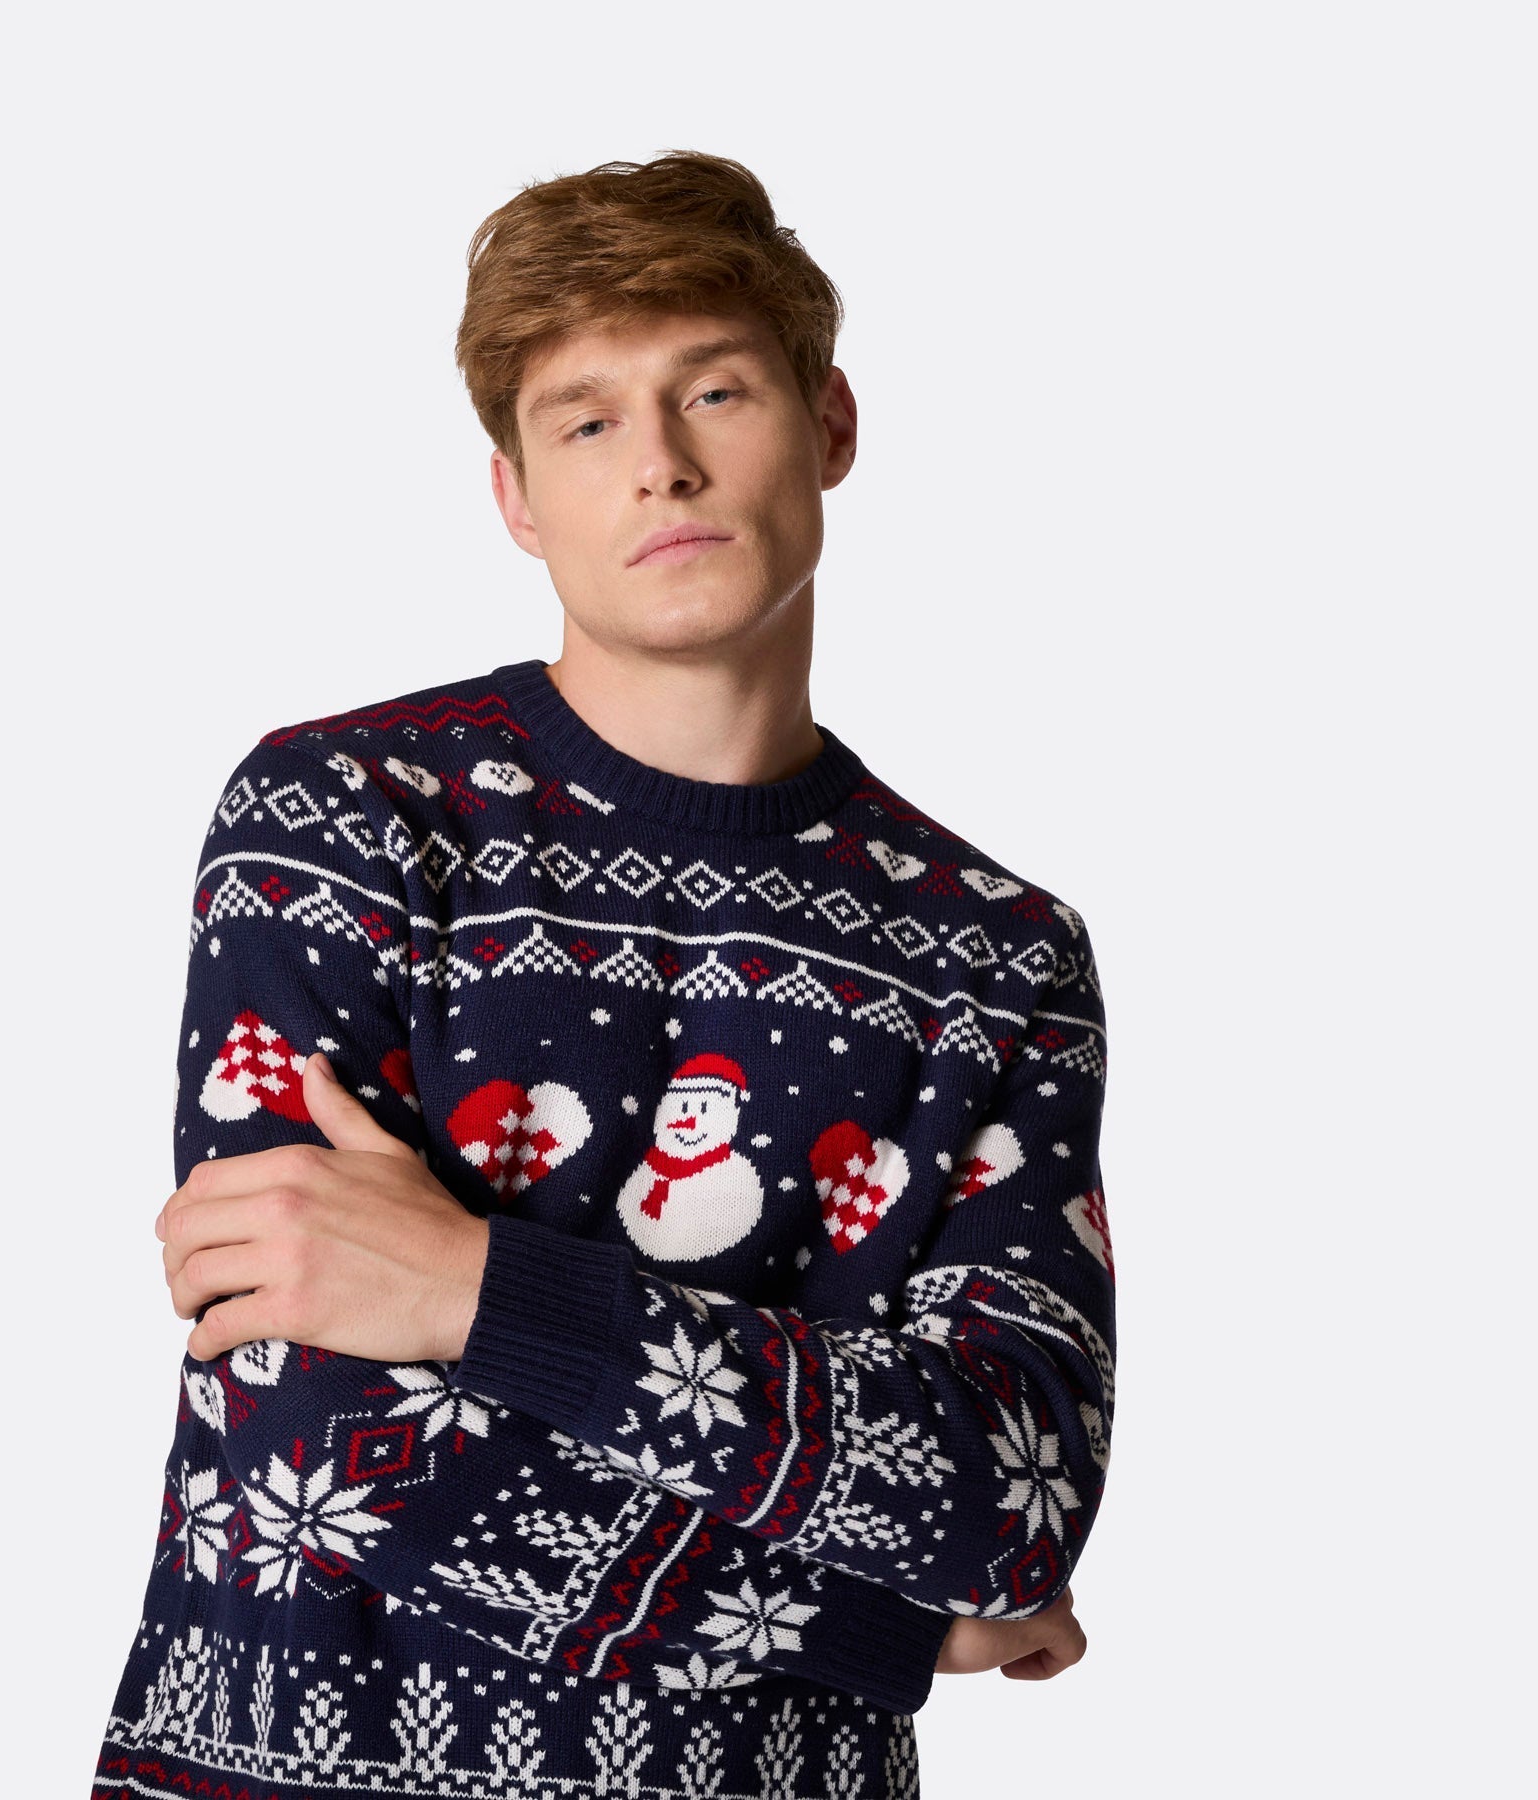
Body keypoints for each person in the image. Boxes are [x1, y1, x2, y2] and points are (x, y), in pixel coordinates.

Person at [93, 148, 1115, 1800]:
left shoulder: (996, 953)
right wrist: (882, 1630)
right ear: (516, 497)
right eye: (586, 422)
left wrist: (473, 1294)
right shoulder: (346, 820)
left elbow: (1010, 1497)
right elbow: (318, 1449)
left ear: (830, 425)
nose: (661, 466)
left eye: (715, 391)